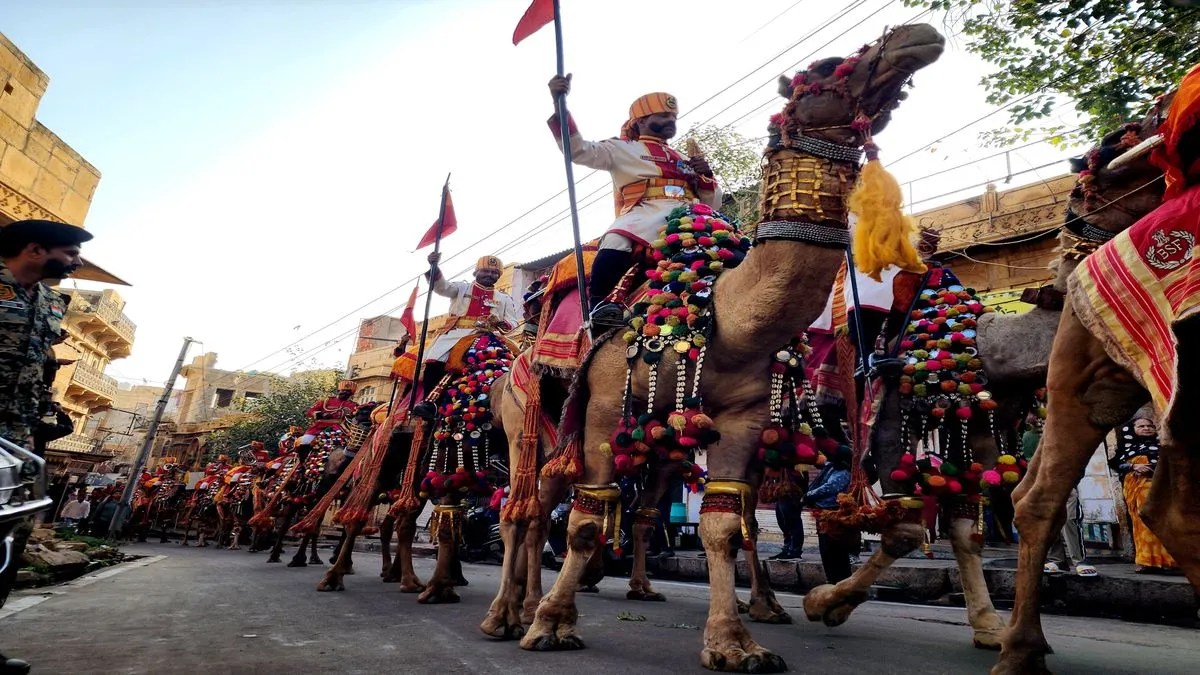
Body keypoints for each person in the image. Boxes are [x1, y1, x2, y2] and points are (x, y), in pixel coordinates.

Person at [546, 75, 721, 328]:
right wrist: (559, 103)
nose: (671, 121)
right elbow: (578, 150)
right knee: (616, 238)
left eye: (673, 117)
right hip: (646, 214)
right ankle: (600, 306)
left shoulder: (683, 157)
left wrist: (706, 177)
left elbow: (713, 203)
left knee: (732, 240)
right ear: (641, 121)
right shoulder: (621, 148)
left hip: (692, 215)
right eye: (663, 116)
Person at [0, 218, 92, 674]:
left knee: (9, 538)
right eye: (70, 253)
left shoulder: (53, 303)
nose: (76, 261)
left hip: (17, 438)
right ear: (35, 250)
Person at [407, 253, 520, 414]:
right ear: (476, 272)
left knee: (516, 360)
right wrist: (434, 267)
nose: (490, 275)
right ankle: (430, 403)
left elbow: (513, 322)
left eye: (494, 272)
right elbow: (442, 287)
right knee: (435, 360)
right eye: (486, 271)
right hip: (457, 335)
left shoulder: (504, 298)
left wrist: (500, 323)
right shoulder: (462, 288)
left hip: (489, 336)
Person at [1110, 415, 1179, 574]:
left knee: (1165, 522)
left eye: (1150, 426)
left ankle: (1170, 562)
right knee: (1142, 524)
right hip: (1137, 490)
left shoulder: (1164, 446)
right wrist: (1133, 467)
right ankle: (1147, 561)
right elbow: (1116, 464)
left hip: (1162, 489)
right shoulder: (1125, 449)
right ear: (1131, 430)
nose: (1146, 428)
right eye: (1141, 426)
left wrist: (1153, 468)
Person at [805, 445, 855, 584]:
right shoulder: (832, 468)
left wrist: (809, 495)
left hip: (833, 512)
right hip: (823, 511)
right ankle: (832, 579)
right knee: (826, 549)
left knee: (835, 549)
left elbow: (830, 487)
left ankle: (840, 580)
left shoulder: (844, 472)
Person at [299, 381, 361, 452]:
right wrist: (321, 414)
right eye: (343, 390)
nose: (345, 392)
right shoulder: (326, 400)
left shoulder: (354, 405)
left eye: (348, 391)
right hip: (319, 427)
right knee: (305, 441)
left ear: (351, 394)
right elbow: (310, 411)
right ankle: (302, 459)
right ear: (338, 391)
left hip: (340, 429)